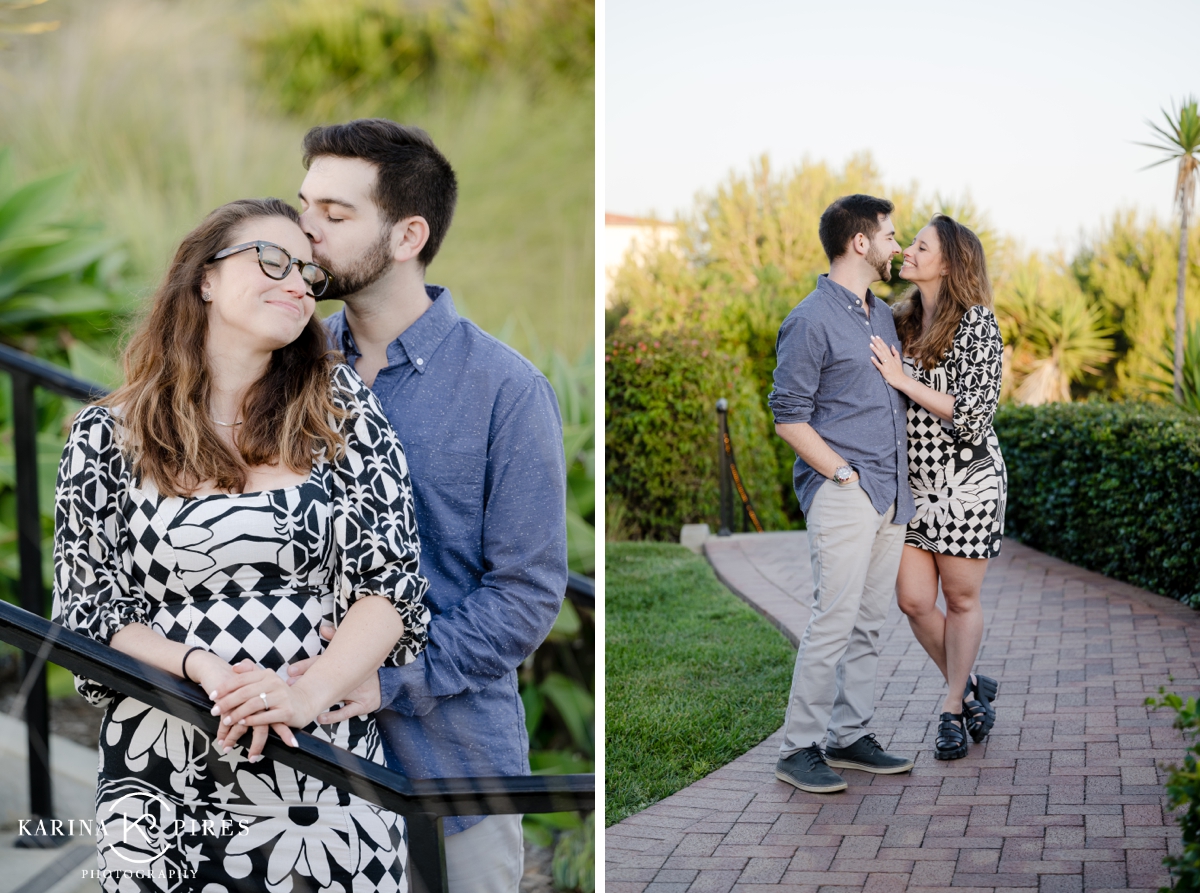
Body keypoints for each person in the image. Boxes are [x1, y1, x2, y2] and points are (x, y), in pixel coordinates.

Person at [51, 198, 430, 891]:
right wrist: (206, 669)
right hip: (165, 767)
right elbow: (88, 613)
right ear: (205, 278)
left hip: (320, 767)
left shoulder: (341, 411)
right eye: (272, 260)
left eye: (308, 274)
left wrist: (306, 692)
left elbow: (392, 587)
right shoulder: (105, 437)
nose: (296, 282)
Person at [286, 119, 568, 892]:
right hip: (296, 776)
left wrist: (388, 680)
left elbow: (526, 592)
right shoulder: (283, 370)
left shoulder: (507, 391)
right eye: (304, 205)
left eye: (336, 216)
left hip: (449, 770)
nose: (306, 231)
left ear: (408, 233)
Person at [767, 194, 916, 794]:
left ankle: (849, 735)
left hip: (892, 492)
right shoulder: (808, 319)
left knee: (869, 622)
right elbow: (788, 416)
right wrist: (842, 475)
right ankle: (797, 748)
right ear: (860, 242)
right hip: (848, 490)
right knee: (833, 619)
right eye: (890, 235)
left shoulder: (880, 316)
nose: (896, 246)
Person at [867, 213, 1006, 760]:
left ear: (947, 263)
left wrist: (905, 380)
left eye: (920, 246)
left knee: (961, 598)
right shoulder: (897, 322)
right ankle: (972, 687)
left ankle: (951, 706)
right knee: (914, 600)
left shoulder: (979, 325)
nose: (908, 251)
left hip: (968, 485)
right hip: (914, 485)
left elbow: (973, 416)